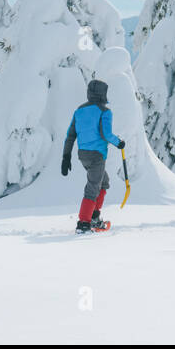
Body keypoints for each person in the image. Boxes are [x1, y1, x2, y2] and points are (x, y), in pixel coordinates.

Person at [61, 78, 125, 233]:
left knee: (103, 182)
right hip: (97, 155)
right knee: (93, 187)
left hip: (83, 155)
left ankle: (94, 217)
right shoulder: (104, 111)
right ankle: (83, 223)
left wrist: (66, 157)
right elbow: (106, 134)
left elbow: (70, 135)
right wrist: (119, 143)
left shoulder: (79, 111)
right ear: (103, 94)